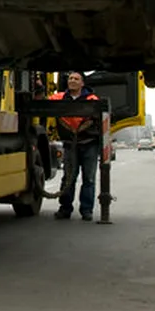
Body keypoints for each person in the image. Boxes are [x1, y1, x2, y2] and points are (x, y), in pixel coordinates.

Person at [48, 71, 101, 221]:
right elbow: (43, 102)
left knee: (88, 178)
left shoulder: (92, 100)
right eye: (70, 78)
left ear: (82, 83)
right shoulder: (59, 98)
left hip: (89, 144)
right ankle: (65, 208)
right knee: (68, 178)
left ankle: (86, 210)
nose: (72, 81)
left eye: (76, 79)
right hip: (70, 144)